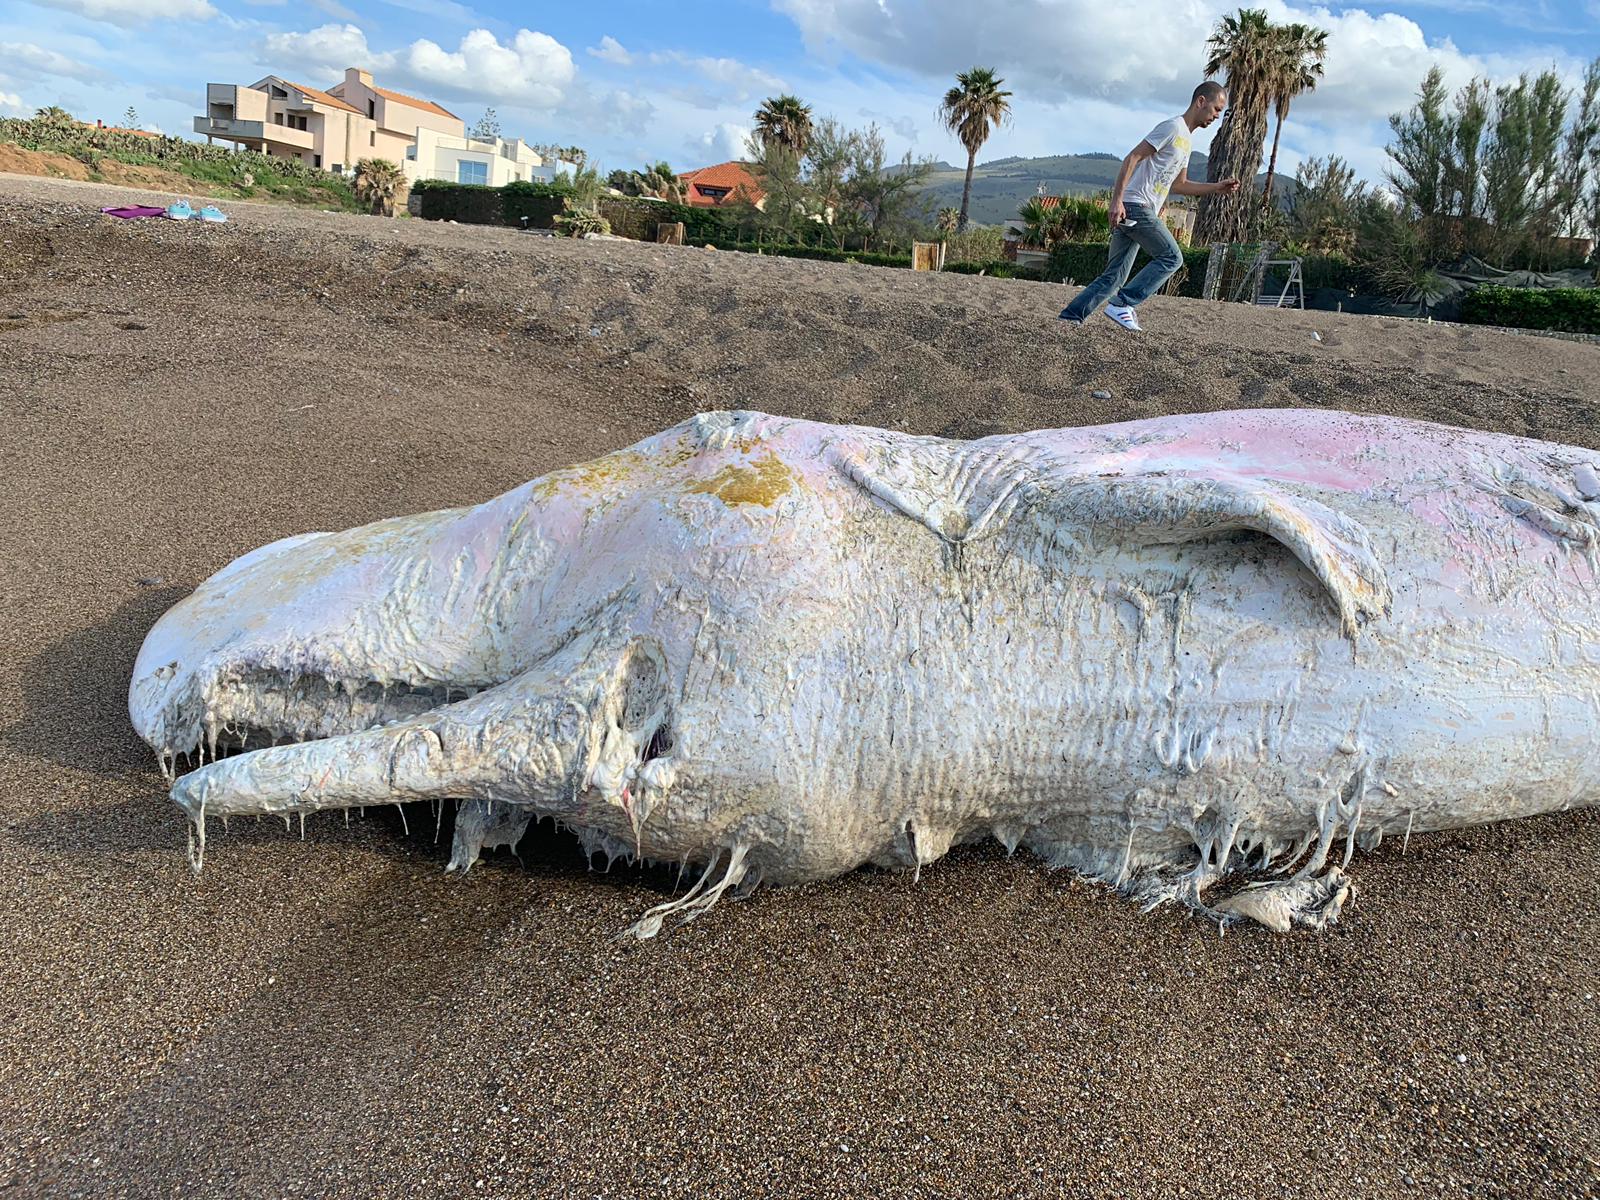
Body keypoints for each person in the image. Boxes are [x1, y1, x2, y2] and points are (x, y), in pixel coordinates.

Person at [1060, 82, 1239, 331]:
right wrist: (1117, 200)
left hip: (1137, 208)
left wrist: (1217, 187)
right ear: (1201, 101)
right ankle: (1123, 303)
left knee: (1114, 277)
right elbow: (1132, 158)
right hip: (1135, 205)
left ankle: (1069, 319)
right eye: (1216, 109)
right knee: (1171, 257)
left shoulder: (1186, 141)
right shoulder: (1172, 127)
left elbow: (1180, 185)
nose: (1217, 116)